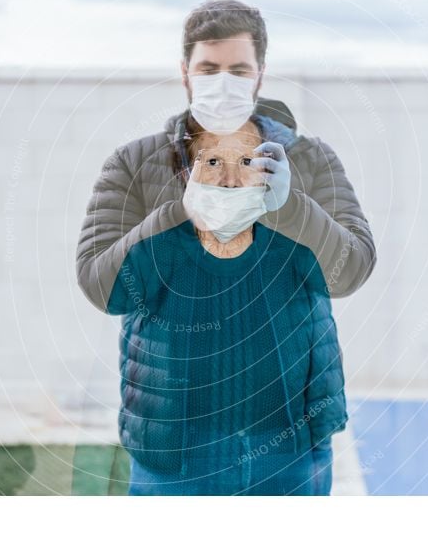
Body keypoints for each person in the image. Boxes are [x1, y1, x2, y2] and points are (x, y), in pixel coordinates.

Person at [75, 0, 377, 494]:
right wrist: (177, 214)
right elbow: (102, 288)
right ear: (185, 72)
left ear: (260, 74)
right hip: (173, 446)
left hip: (290, 441)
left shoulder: (311, 159)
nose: (223, 81)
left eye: (238, 69)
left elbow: (351, 271)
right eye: (208, 68)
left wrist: (290, 206)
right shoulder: (133, 164)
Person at [104, 125, 346, 495]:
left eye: (247, 162)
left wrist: (294, 210)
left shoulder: (303, 190)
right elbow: (114, 292)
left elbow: (342, 273)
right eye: (214, 162)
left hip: (290, 449)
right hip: (178, 453)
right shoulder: (145, 192)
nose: (231, 180)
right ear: (187, 172)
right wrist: (178, 218)